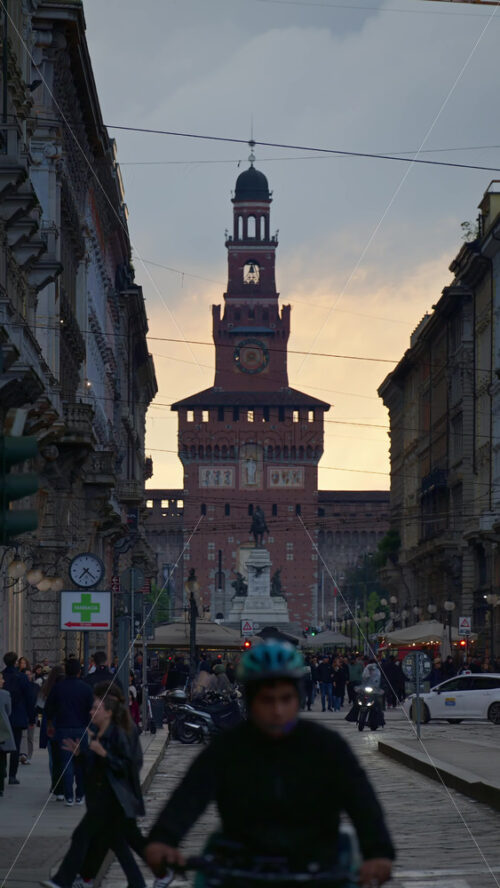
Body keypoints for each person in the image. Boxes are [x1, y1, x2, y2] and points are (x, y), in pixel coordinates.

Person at [144, 641, 394, 888]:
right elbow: (189, 796)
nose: (277, 710)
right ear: (252, 700)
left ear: (299, 697)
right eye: (267, 700)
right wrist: (164, 839)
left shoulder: (326, 745)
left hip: (316, 864)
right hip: (241, 866)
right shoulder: (228, 748)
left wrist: (378, 851)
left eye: (286, 699)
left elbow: (361, 800)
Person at [41, 682, 146, 888]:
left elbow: (128, 764)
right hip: (105, 796)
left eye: (95, 706)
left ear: (109, 708)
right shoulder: (102, 730)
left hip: (111, 797)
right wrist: (81, 755)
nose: (90, 710)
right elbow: (96, 766)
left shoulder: (119, 730)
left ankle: (64, 880)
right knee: (115, 842)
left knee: (86, 837)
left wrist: (102, 753)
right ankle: (129, 881)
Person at [45, 658, 93, 805]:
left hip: (63, 728)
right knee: (80, 763)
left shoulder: (58, 687)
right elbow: (91, 709)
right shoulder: (86, 688)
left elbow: (48, 708)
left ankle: (69, 796)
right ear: (79, 671)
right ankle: (80, 795)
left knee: (66, 763)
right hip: (80, 729)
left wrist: (51, 723)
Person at [2, 651, 35, 784]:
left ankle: (3, 770)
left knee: (2, 745)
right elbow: (29, 698)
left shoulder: (2, 676)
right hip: (18, 716)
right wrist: (32, 718)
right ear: (16, 662)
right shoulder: (21, 677)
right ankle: (12, 775)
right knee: (15, 747)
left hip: (3, 716)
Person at [0, 670, 16, 797]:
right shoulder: (5, 694)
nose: (3, 681)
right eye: (1, 679)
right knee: (1, 757)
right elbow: (8, 711)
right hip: (2, 729)